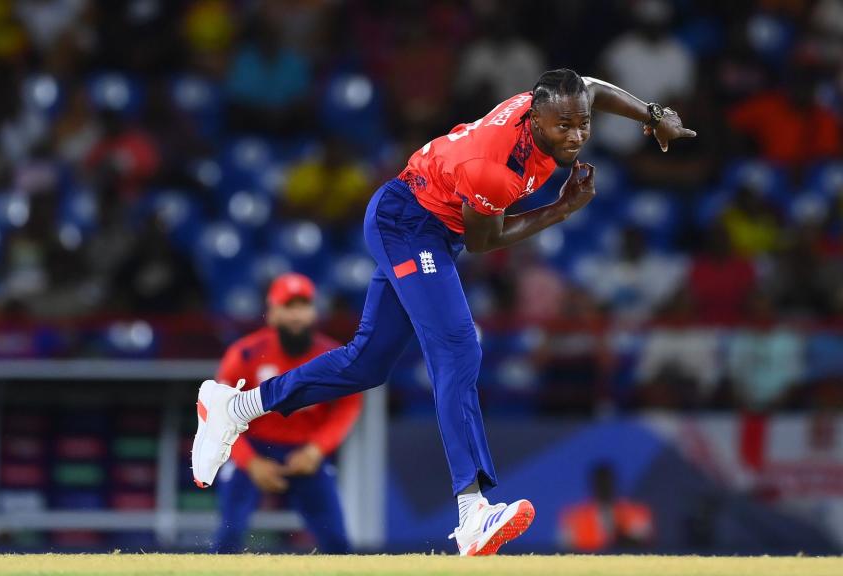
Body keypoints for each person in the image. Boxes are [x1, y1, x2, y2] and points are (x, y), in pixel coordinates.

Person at [191, 68, 695, 556]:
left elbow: (592, 88)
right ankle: (471, 511)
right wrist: (560, 210)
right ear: (535, 118)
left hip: (429, 224)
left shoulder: (559, 103)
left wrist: (651, 116)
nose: (577, 134)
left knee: (367, 363)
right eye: (564, 125)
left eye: (582, 123)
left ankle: (236, 407)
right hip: (409, 224)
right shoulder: (493, 169)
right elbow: (485, 241)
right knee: (458, 348)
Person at [210, 273, 362, 554]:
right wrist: (250, 461)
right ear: (272, 313)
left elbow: (348, 405)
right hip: (253, 447)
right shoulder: (245, 354)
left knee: (338, 543)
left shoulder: (332, 356)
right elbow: (219, 413)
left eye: (302, 306)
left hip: (305, 451)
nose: (296, 315)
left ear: (314, 312)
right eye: (288, 306)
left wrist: (316, 450)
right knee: (228, 538)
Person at [558, 462, 654, 552]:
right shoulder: (574, 518)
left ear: (614, 483)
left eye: (607, 482)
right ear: (593, 485)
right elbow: (564, 550)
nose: (604, 487)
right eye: (600, 483)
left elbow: (644, 545)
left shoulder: (636, 514)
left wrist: (622, 539)